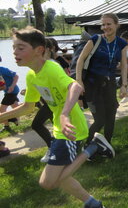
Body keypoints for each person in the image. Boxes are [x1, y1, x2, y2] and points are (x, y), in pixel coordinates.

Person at [0, 26, 114, 208]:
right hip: (59, 129)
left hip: (71, 130)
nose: (15, 52)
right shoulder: (31, 76)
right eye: (14, 47)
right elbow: (28, 107)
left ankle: (93, 147)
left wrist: (64, 115)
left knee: (48, 182)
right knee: (60, 178)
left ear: (39, 50)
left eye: (21, 48)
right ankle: (92, 204)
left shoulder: (51, 68)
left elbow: (75, 87)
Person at [76, 13, 128, 146]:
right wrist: (79, 81)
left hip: (109, 84)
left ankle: (107, 146)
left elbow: (124, 65)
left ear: (116, 25)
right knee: (100, 120)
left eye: (109, 24)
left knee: (111, 117)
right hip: (93, 85)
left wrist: (124, 85)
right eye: (103, 24)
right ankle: (86, 146)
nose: (105, 27)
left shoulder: (121, 43)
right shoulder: (95, 39)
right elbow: (80, 60)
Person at [0, 64, 20, 133]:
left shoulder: (3, 69)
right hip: (8, 92)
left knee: (2, 109)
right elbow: (3, 86)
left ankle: (7, 126)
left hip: (12, 91)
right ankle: (16, 120)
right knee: (15, 107)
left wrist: (12, 86)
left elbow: (16, 76)